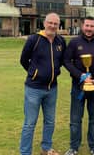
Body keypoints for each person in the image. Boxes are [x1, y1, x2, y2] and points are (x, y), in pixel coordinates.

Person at [64, 16, 94, 155]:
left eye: (92, 26)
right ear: (82, 26)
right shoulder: (74, 42)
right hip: (78, 87)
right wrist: (80, 76)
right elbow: (67, 61)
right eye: (87, 26)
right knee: (75, 119)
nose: (89, 29)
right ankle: (73, 147)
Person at [20, 12, 66, 155]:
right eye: (50, 23)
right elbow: (23, 60)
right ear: (44, 23)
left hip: (52, 88)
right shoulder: (34, 39)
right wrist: (35, 73)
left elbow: (63, 60)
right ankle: (25, 152)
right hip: (34, 89)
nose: (52, 26)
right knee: (29, 123)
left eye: (55, 24)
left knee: (50, 122)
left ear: (59, 25)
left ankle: (46, 149)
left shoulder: (61, 41)